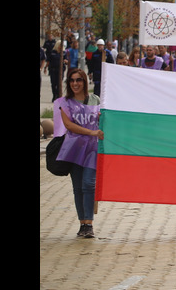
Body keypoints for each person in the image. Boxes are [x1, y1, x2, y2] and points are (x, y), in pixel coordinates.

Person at [55, 68, 104, 238]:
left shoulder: (95, 99)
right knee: (77, 188)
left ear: (84, 81)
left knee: (89, 184)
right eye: (72, 80)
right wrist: (92, 132)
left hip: (92, 150)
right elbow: (69, 125)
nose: (75, 84)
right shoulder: (65, 103)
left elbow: (102, 120)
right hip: (74, 150)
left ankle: (89, 224)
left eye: (79, 80)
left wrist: (102, 119)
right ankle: (82, 223)